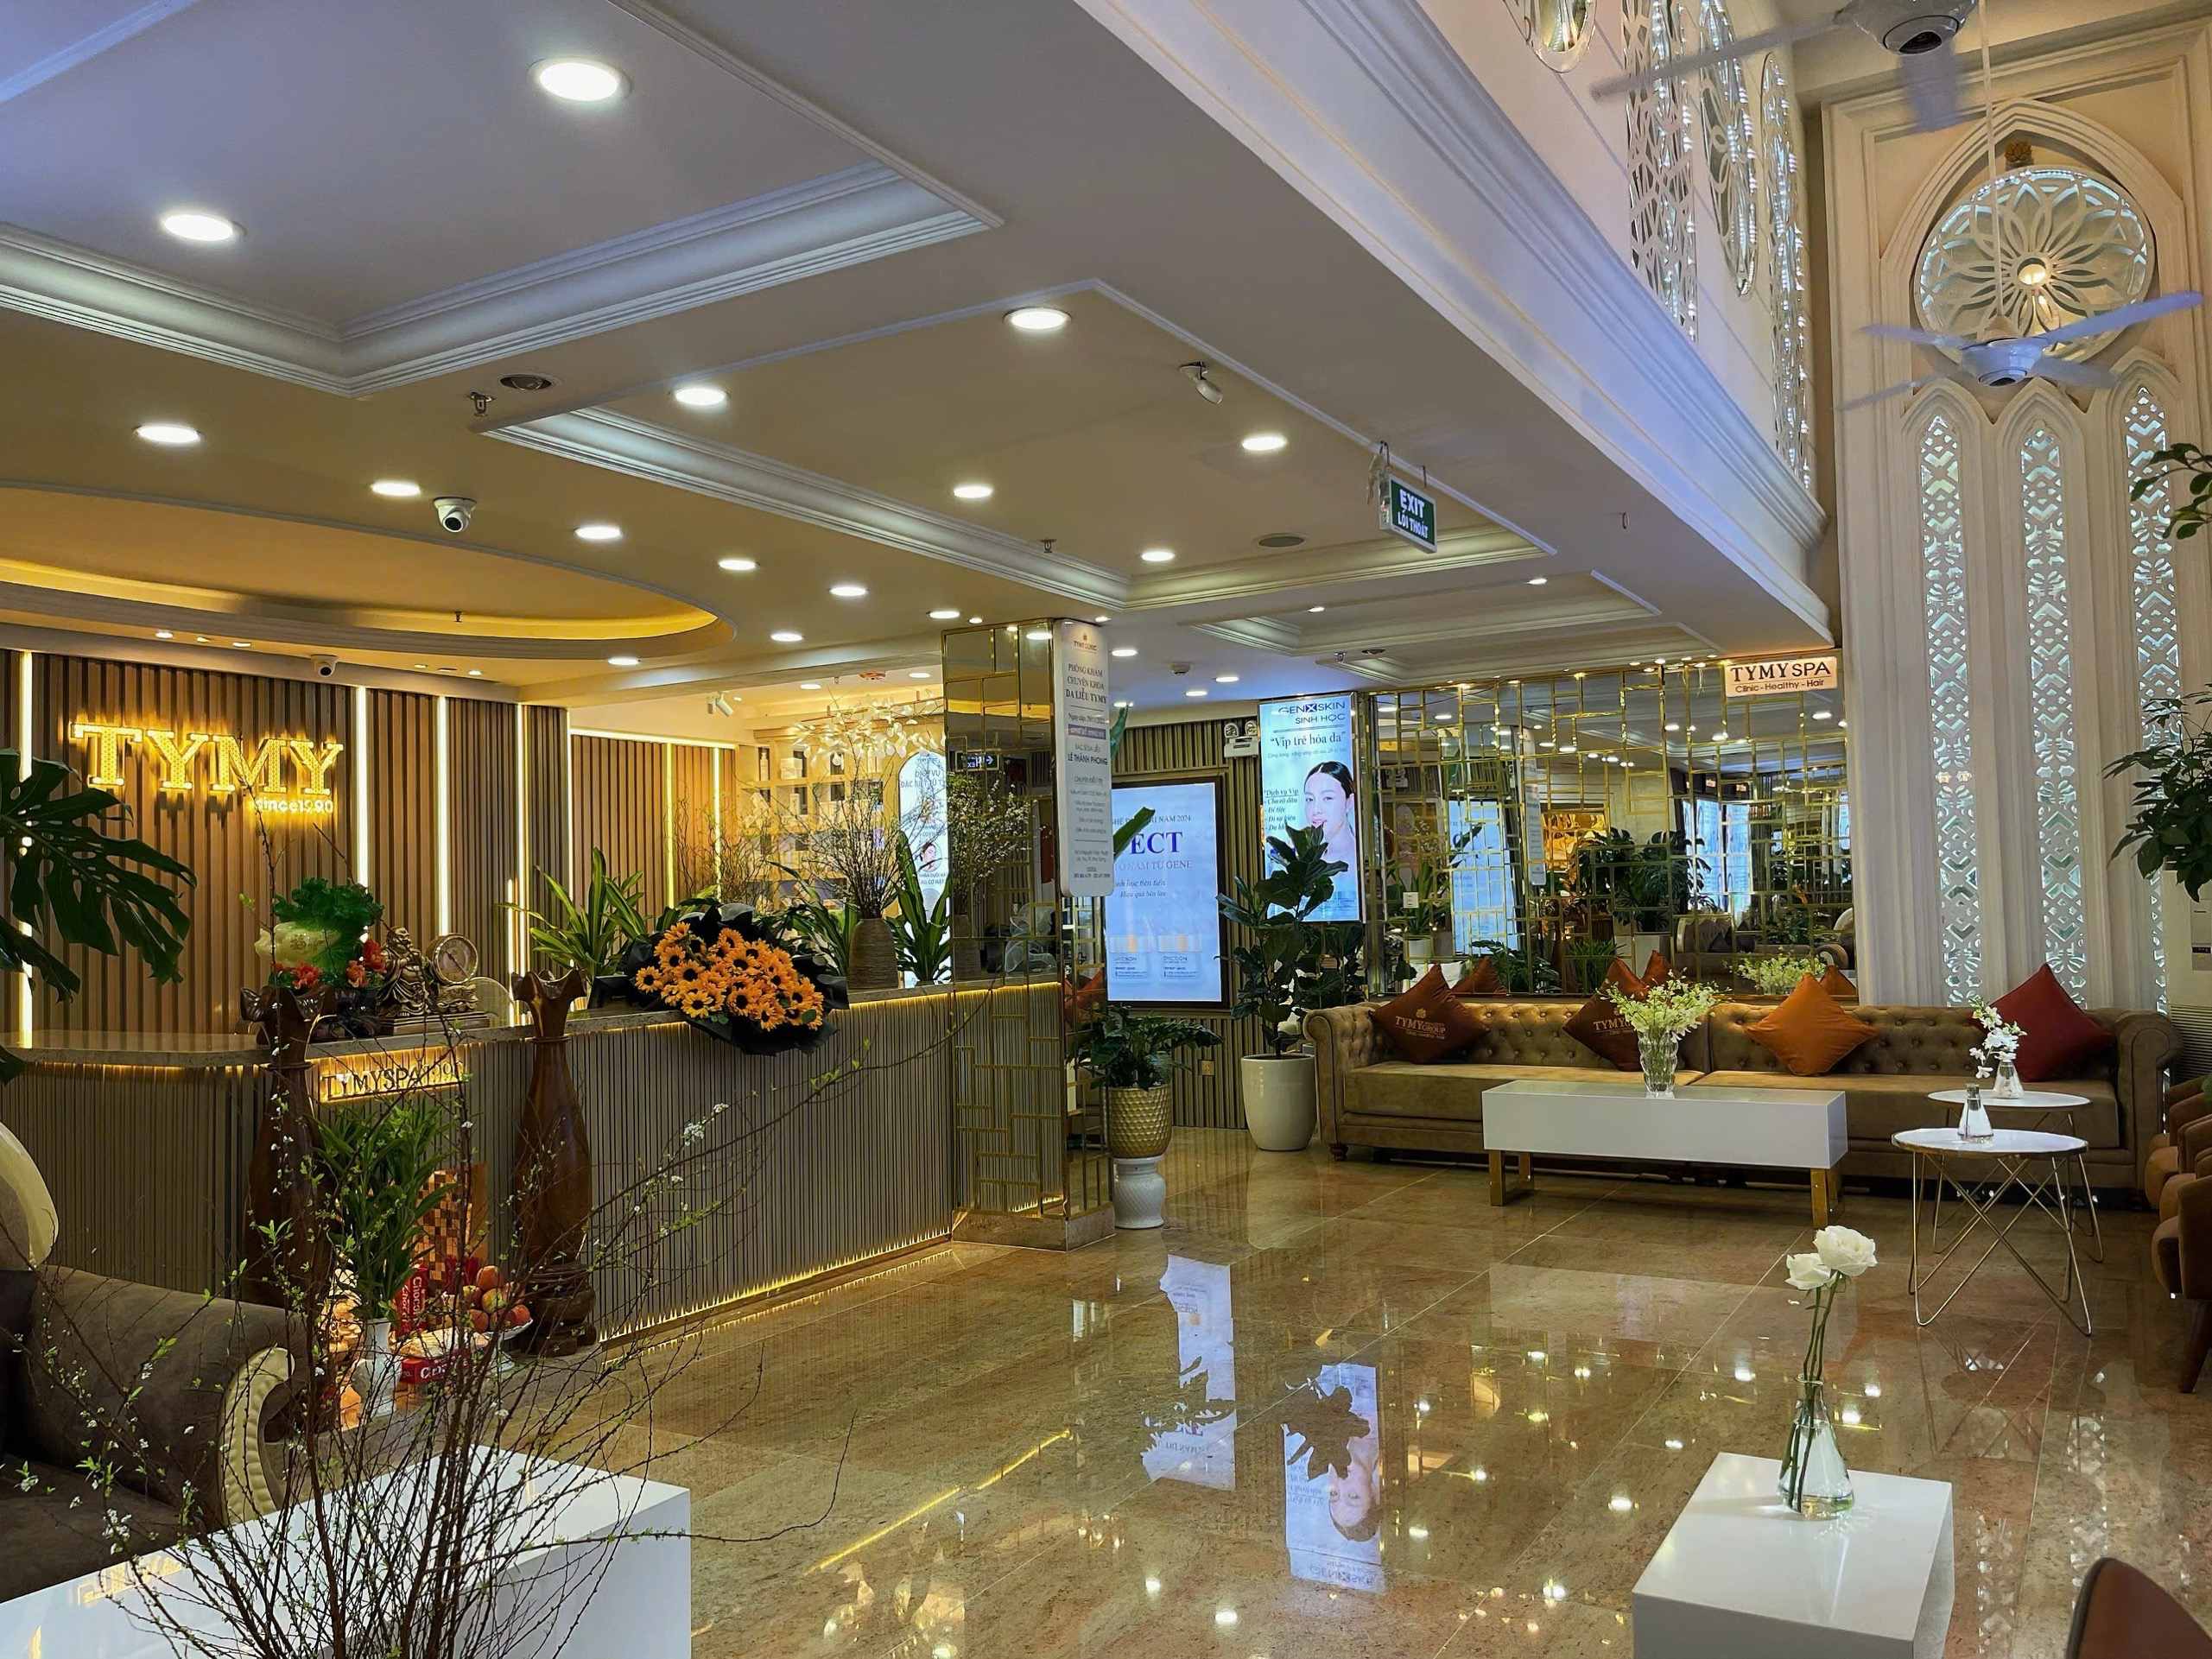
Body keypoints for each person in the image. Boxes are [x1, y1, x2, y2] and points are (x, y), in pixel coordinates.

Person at [1303, 761, 1359, 875]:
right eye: (1310, 799)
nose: (1316, 810)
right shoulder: (1309, 860)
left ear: (1349, 802)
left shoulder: (1358, 860)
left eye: (1327, 798)